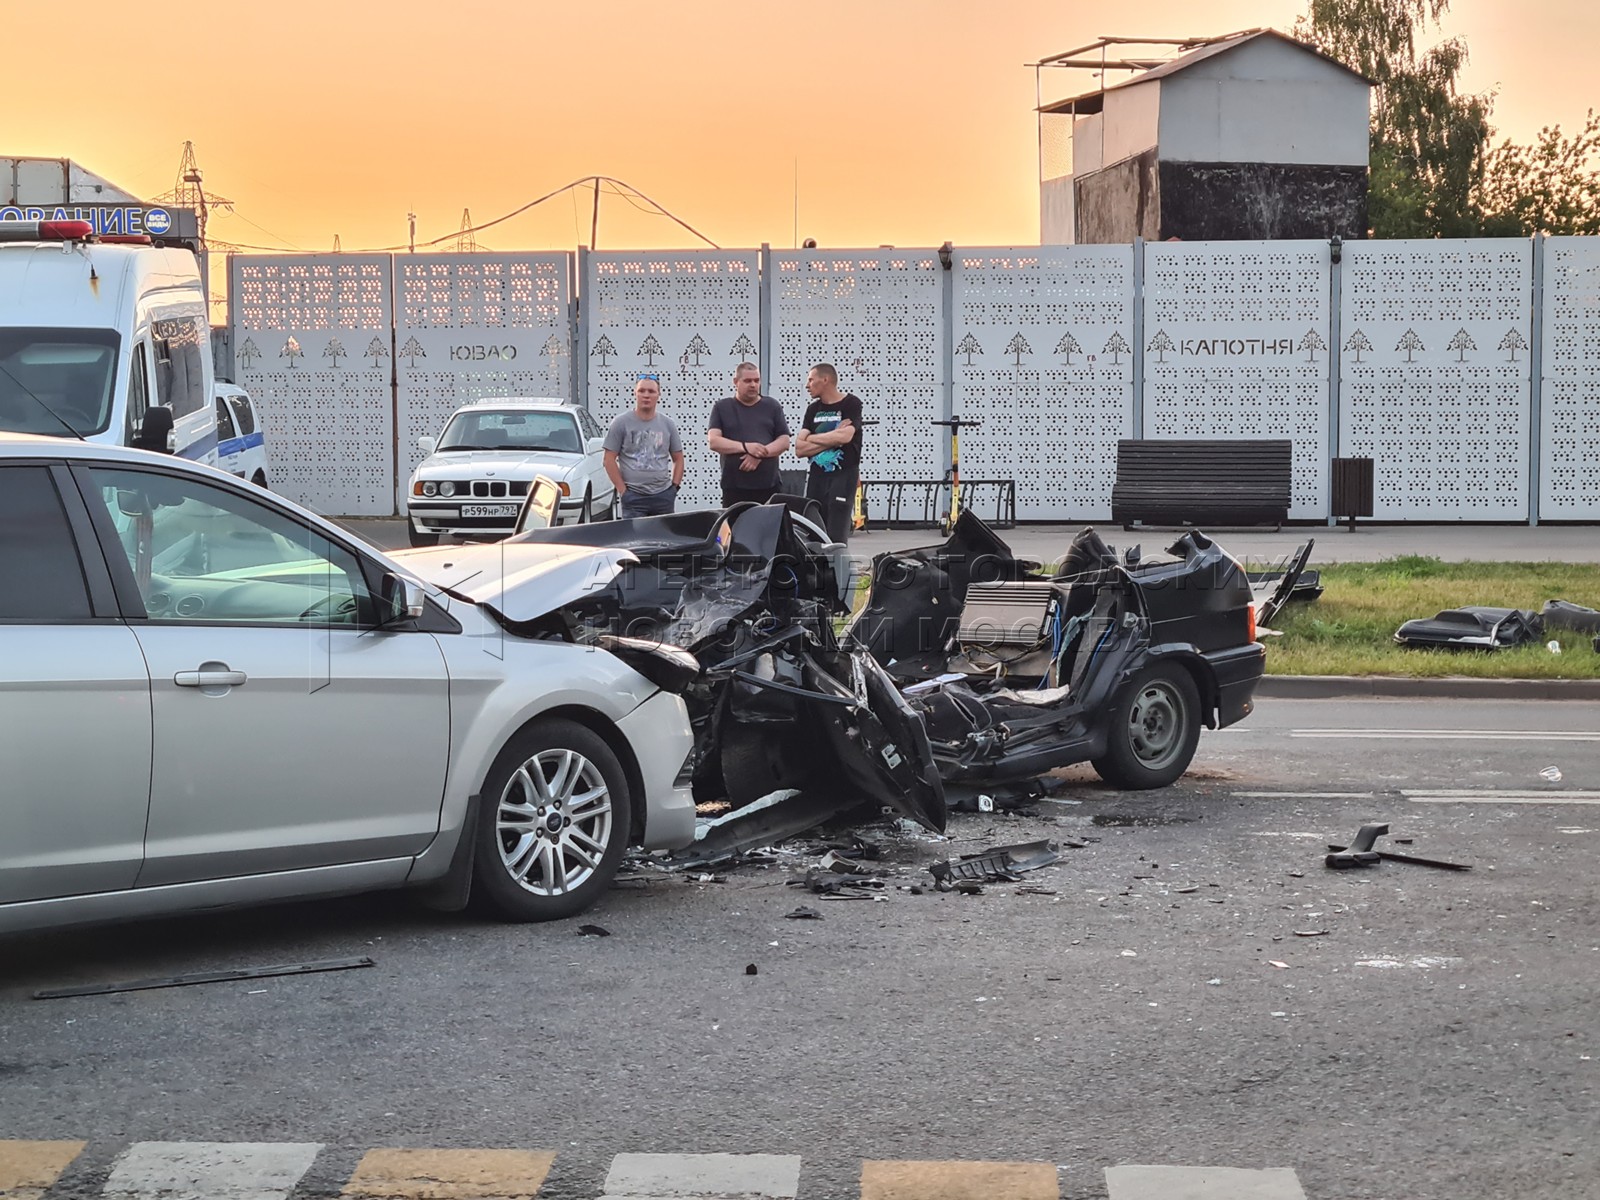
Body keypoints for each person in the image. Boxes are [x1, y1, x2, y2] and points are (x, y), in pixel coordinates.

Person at [795, 363, 863, 542]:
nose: (807, 385)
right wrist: (832, 437)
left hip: (843, 477)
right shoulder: (812, 410)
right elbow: (799, 448)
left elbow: (846, 436)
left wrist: (813, 437)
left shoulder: (851, 403)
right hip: (817, 480)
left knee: (836, 535)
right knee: (814, 533)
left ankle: (837, 569)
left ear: (825, 380)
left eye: (811, 379)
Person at [707, 362, 790, 506]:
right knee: (736, 528)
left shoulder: (772, 406)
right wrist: (746, 447)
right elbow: (714, 441)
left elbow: (784, 441)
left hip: (769, 486)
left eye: (756, 381)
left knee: (769, 528)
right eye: (747, 381)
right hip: (734, 487)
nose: (753, 385)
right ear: (735, 382)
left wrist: (759, 454)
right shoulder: (722, 407)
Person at [603, 373, 684, 518]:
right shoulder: (620, 423)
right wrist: (623, 491)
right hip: (633, 498)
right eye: (642, 391)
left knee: (663, 540)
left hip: (663, 497)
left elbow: (678, 458)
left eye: (651, 391)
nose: (646, 395)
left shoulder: (668, 424)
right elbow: (609, 460)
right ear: (635, 393)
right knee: (635, 540)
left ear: (659, 395)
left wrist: (674, 488)